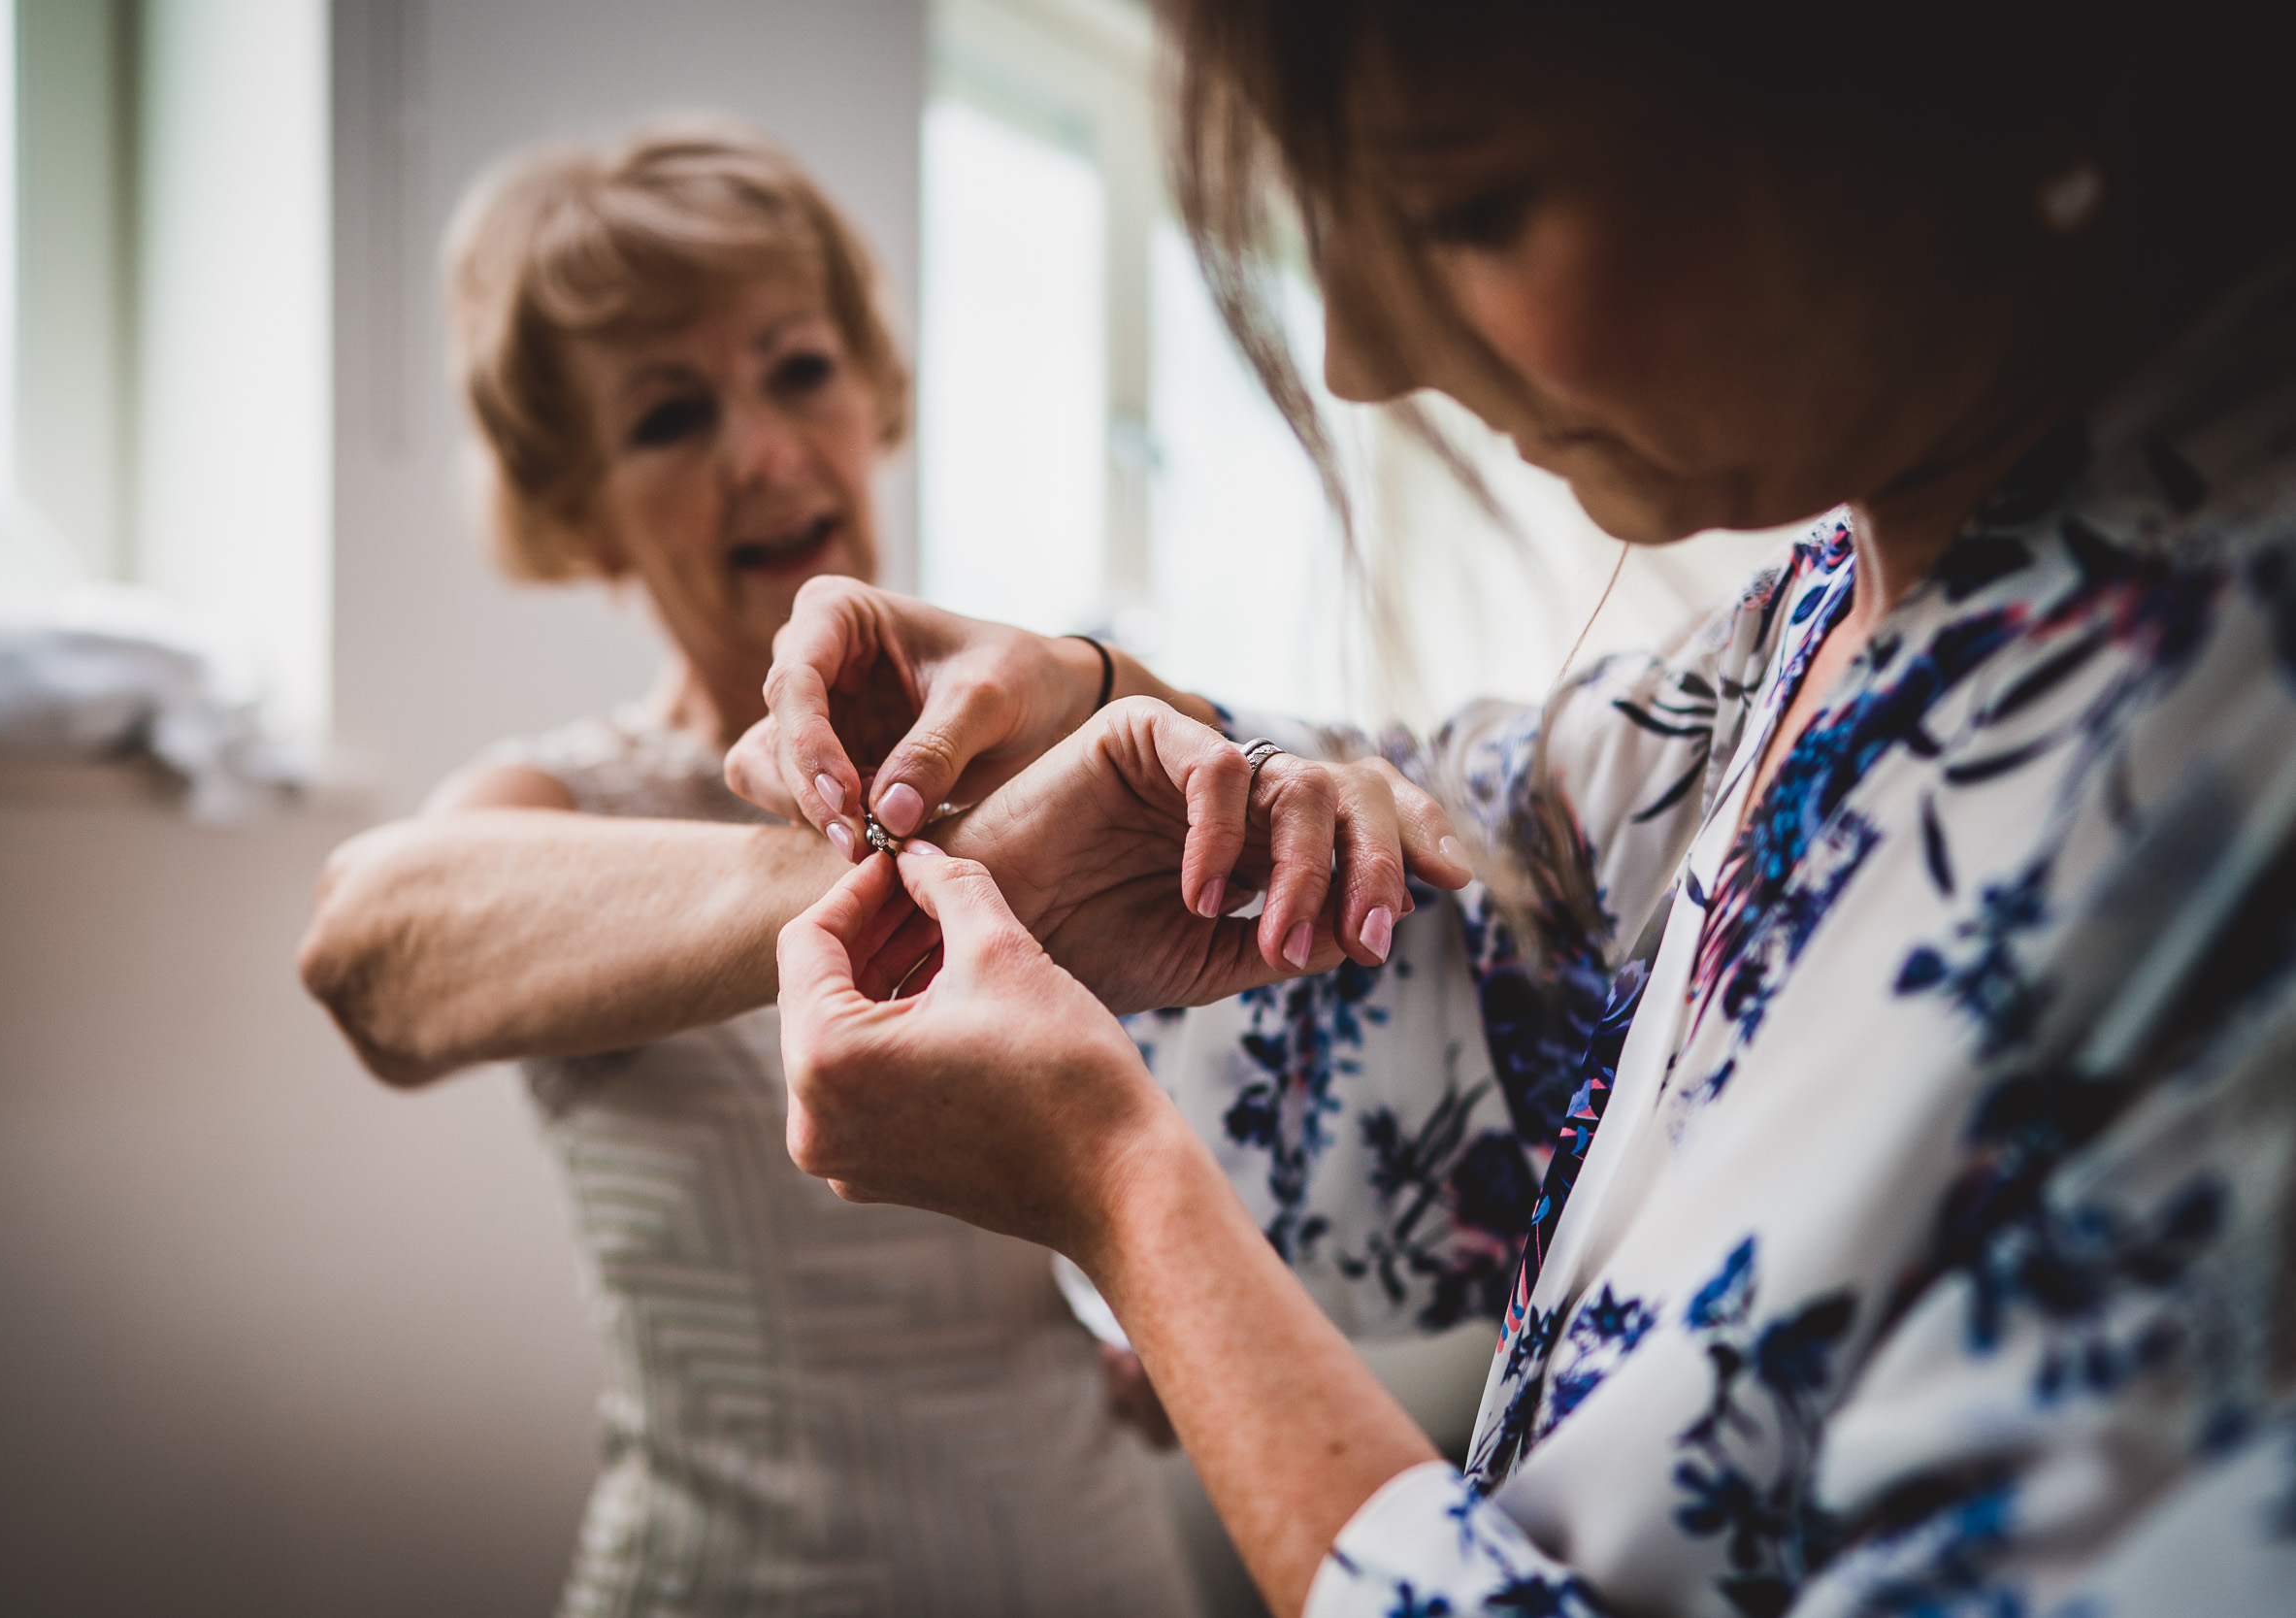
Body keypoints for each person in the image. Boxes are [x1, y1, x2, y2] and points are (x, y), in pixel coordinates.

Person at [737, 6, 2296, 1616]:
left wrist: (1129, 1196)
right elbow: (1501, 885)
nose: (1359, 354)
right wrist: (1120, 711)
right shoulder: (1841, 600)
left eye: (1468, 209)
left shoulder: (2238, 770)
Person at [300, 119, 1257, 1616]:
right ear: (580, 508)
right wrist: (901, 873)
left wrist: (1158, 1299)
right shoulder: (561, 800)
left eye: (799, 368)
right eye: (671, 417)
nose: (765, 450)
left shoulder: (1040, 751)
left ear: (873, 391)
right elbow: (365, 946)